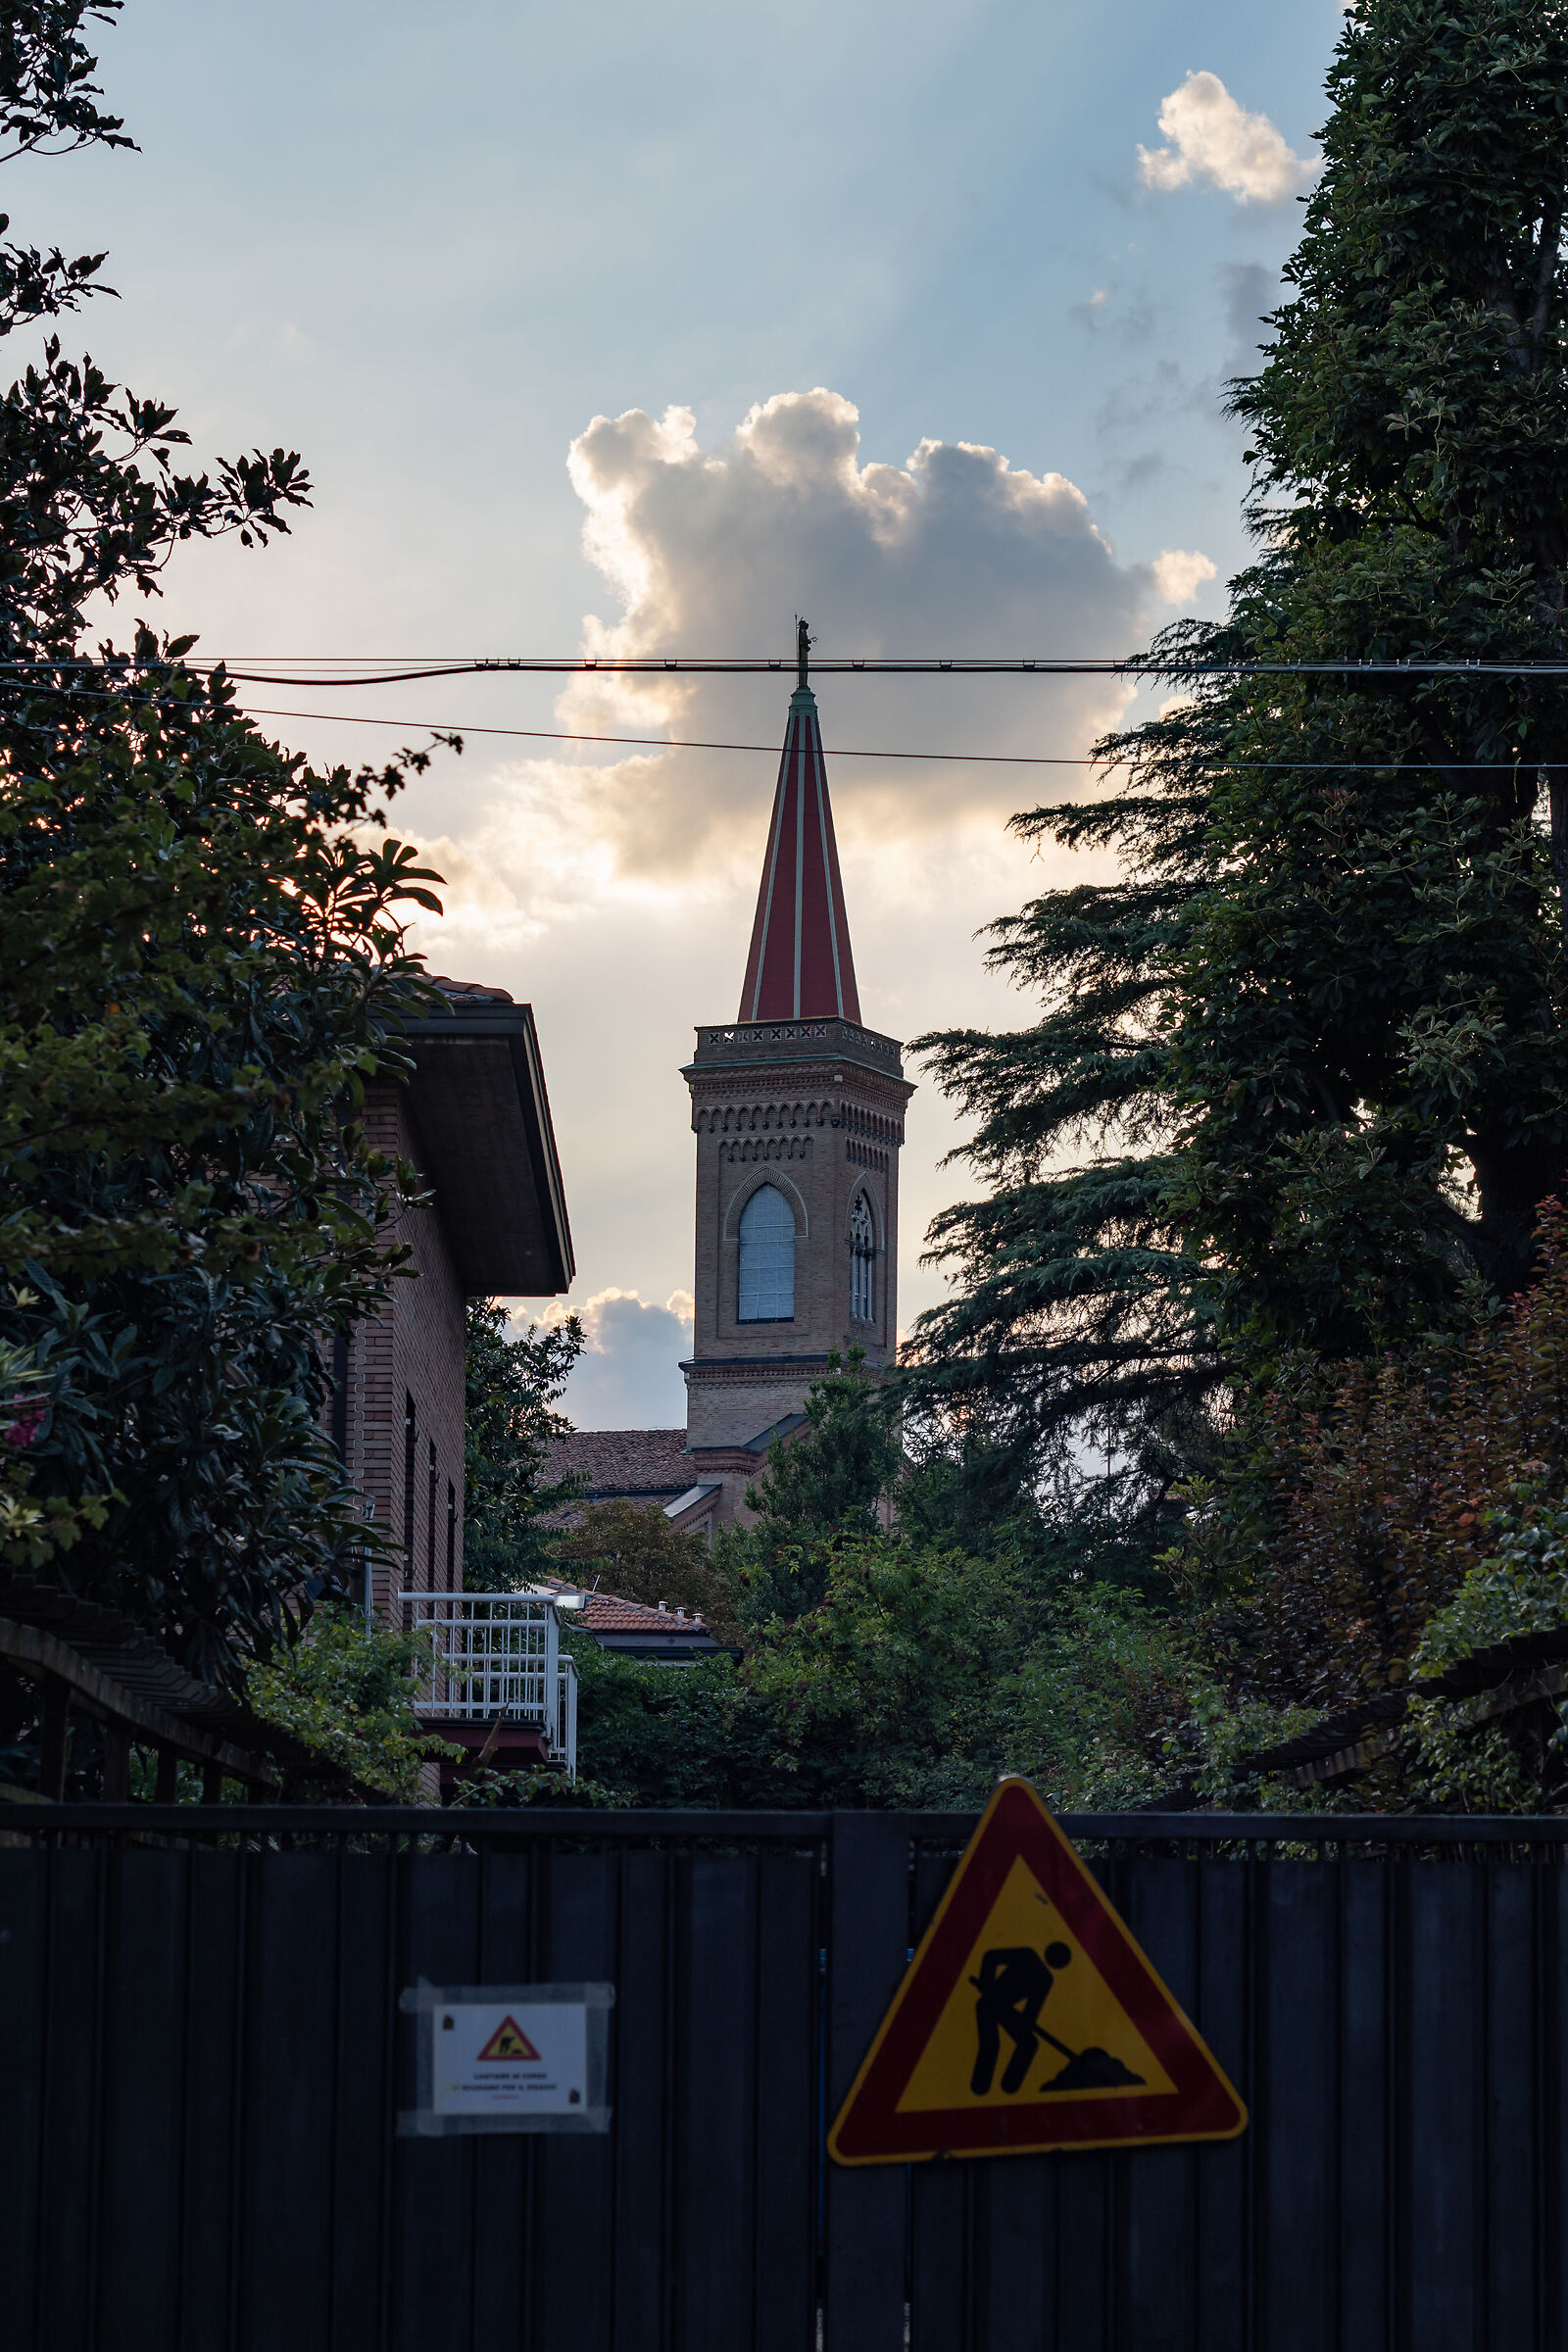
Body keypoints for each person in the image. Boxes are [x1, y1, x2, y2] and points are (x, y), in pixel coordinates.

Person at [968, 1939, 1073, 2095]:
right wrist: (986, 1982)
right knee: (991, 2045)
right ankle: (980, 2087)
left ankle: (1010, 2087)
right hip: (988, 2004)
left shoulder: (1045, 1979)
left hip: (1005, 2010)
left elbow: (1031, 2013)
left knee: (1029, 2043)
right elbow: (991, 1957)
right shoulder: (1026, 1955)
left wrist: (1025, 2022)